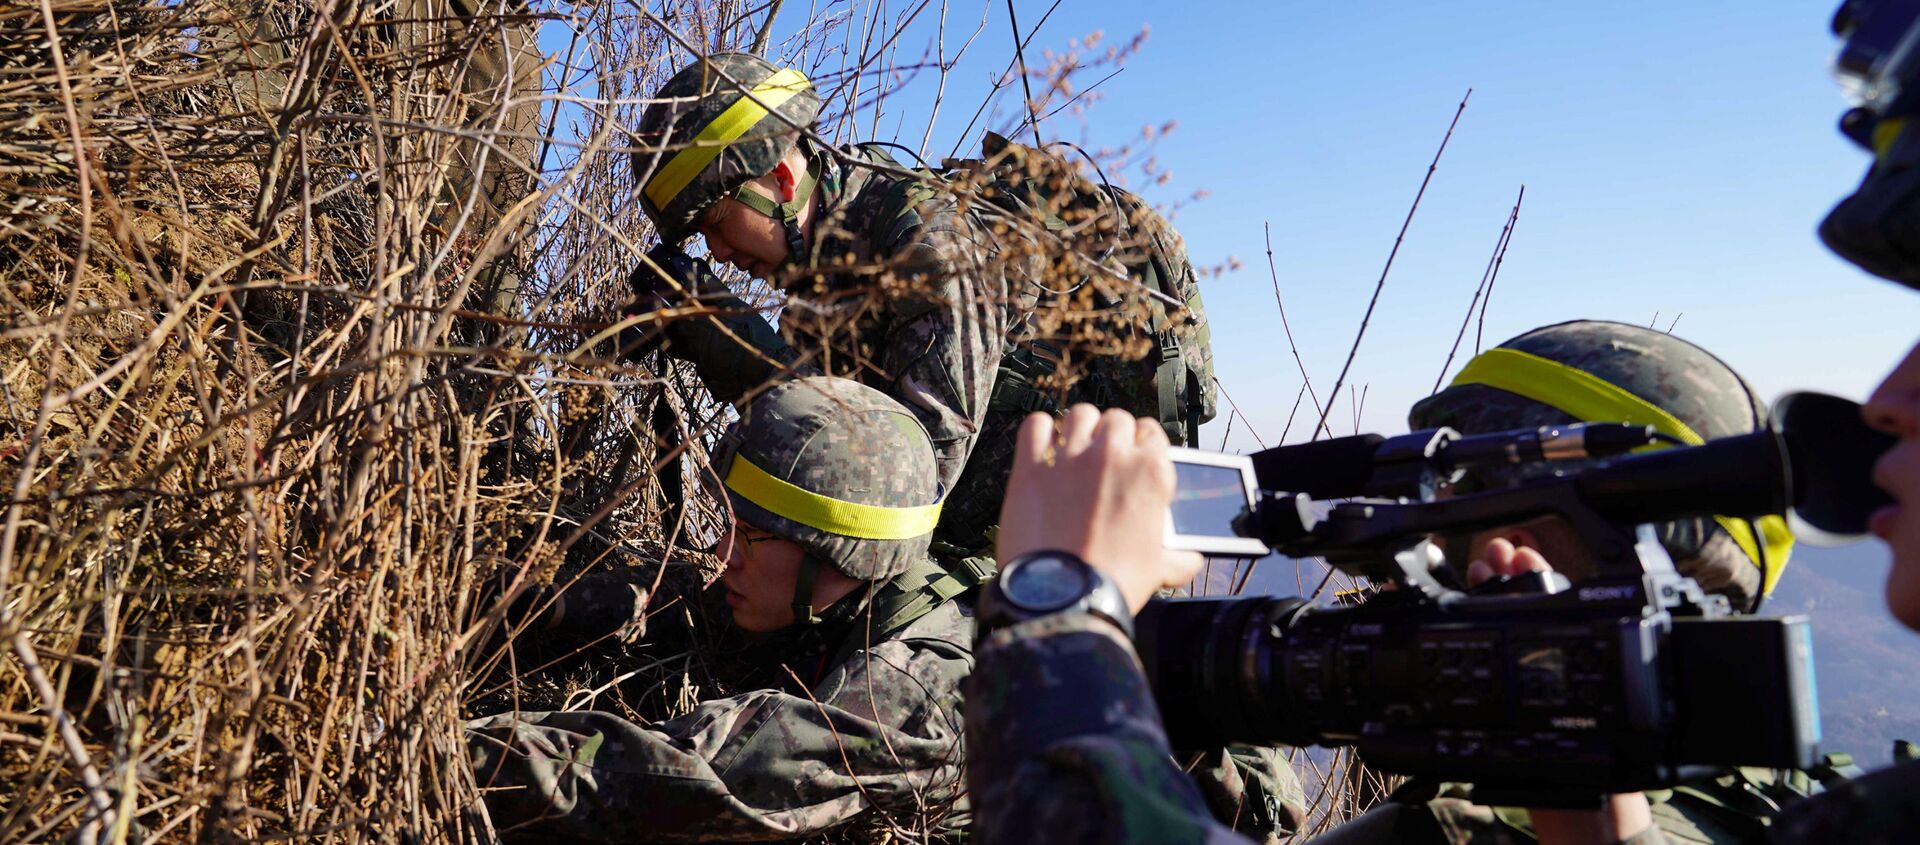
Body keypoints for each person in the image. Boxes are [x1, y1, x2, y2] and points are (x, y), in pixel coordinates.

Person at [625, 51, 1216, 558]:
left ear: (781, 178)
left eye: (718, 222)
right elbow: (830, 442)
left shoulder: (931, 251)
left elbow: (909, 495)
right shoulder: (827, 274)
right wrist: (719, 336)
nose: (718, 252)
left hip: (1059, 560)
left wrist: (735, 343)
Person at [467, 377, 973, 841]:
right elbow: (690, 602)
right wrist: (535, 603)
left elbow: (681, 778)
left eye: (751, 535)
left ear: (841, 553)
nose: (721, 553)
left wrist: (451, 754)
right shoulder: (842, 598)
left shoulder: (908, 690)